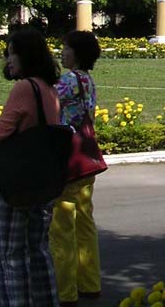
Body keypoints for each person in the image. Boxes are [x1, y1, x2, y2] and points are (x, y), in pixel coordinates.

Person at [0, 27, 62, 307]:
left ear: (25, 55)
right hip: (45, 179)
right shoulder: (49, 89)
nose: (8, 60)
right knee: (38, 251)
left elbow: (2, 134)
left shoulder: (23, 87)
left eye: (12, 54)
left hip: (15, 180)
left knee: (10, 254)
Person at [50, 31, 104, 307]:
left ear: (77, 52)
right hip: (87, 155)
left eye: (66, 48)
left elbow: (48, 104)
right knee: (85, 224)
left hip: (68, 158)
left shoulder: (68, 80)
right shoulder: (88, 80)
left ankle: (65, 292)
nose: (62, 52)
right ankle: (90, 283)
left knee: (61, 228)